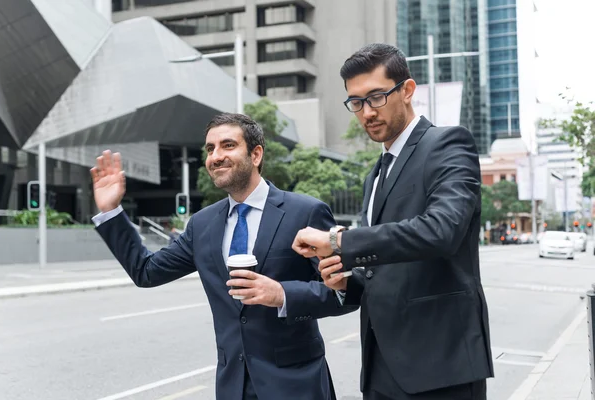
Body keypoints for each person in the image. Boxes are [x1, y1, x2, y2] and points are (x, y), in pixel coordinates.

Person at [90, 113, 356, 400]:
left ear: (255, 155)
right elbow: (146, 271)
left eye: (228, 145)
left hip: (297, 385)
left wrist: (282, 294)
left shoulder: (305, 212)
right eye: (210, 149)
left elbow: (345, 294)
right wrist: (111, 212)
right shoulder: (202, 225)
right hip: (233, 386)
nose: (215, 156)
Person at [291, 43, 494, 400]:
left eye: (377, 97)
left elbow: (441, 231)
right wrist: (343, 280)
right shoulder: (375, 175)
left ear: (407, 90)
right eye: (356, 102)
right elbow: (378, 270)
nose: (367, 111)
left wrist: (341, 241)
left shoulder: (448, 144)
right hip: (381, 363)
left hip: (441, 364)